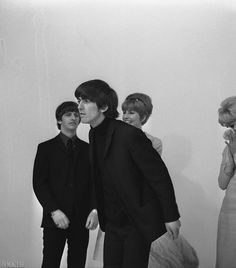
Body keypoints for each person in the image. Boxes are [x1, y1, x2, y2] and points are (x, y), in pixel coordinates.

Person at [74, 79, 181, 268]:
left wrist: (170, 216)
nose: (80, 107)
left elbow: (158, 176)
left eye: (86, 101)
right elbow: (100, 179)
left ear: (104, 106)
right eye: (79, 100)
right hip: (113, 221)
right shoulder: (93, 134)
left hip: (136, 220)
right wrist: (95, 209)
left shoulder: (128, 134)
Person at [93, 93, 199, 268]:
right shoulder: (110, 138)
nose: (126, 116)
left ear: (143, 117)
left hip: (139, 209)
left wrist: (169, 214)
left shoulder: (151, 142)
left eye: (132, 113)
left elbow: (153, 177)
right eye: (125, 112)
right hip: (116, 211)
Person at [33, 101, 98, 268]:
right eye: (68, 114)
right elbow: (39, 184)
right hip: (55, 218)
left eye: (76, 114)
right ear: (59, 119)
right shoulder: (45, 148)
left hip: (81, 218)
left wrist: (94, 209)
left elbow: (94, 183)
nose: (73, 117)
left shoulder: (88, 149)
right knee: (50, 263)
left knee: (78, 263)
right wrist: (54, 211)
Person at [216, 96, 236, 268]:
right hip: (231, 212)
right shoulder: (228, 147)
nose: (234, 128)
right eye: (230, 125)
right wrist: (229, 162)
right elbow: (222, 184)